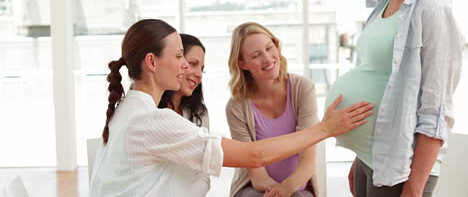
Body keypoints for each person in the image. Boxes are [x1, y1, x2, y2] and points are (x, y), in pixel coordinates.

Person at [89, 19, 373, 197]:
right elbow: (254, 155)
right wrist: (326, 128)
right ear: (152, 62)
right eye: (178, 56)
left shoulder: (126, 110)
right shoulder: (151, 120)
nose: (184, 66)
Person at [324, 0, 465, 196]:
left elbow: (436, 111)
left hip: (403, 169)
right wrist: (359, 156)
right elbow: (376, 79)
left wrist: (413, 189)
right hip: (372, 158)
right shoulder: (384, 4)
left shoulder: (432, 10)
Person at [225, 22, 371, 197]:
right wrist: (275, 192)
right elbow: (257, 175)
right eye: (256, 55)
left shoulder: (302, 88)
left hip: (299, 187)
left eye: (269, 48)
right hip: (255, 189)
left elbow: (307, 163)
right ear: (242, 64)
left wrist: (286, 189)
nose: (267, 58)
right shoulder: (236, 106)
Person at [158, 33, 210, 196]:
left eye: (202, 68)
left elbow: (204, 173)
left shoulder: (199, 113)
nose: (199, 74)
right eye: (193, 63)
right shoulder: (148, 113)